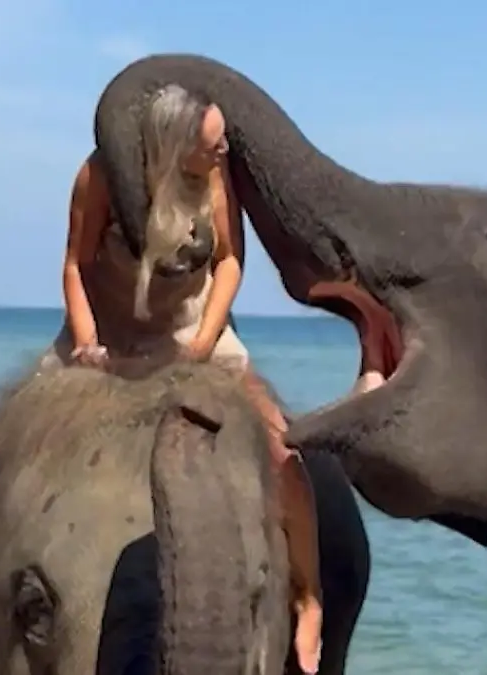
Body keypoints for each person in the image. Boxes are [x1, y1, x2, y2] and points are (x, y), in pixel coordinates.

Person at [52, 84, 324, 673]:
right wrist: (86, 342)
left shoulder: (214, 179)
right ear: (171, 147)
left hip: (192, 329)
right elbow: (75, 264)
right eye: (211, 143)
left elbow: (229, 260)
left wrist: (203, 343)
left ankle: (309, 599)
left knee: (284, 456)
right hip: (111, 331)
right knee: (20, 455)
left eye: (222, 140)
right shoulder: (100, 175)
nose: (224, 150)